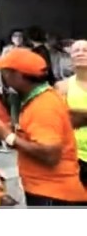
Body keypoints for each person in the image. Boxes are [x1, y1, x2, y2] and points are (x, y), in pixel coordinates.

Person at [0, 48, 87, 205]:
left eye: (6, 72)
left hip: (53, 195)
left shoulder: (42, 105)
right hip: (49, 192)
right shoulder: (42, 98)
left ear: (18, 75)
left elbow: (50, 155)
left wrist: (9, 137)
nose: (3, 76)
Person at [54, 39, 87, 186]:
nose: (80, 53)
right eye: (76, 50)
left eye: (85, 50)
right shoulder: (63, 86)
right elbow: (60, 120)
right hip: (75, 157)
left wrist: (77, 115)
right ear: (70, 56)